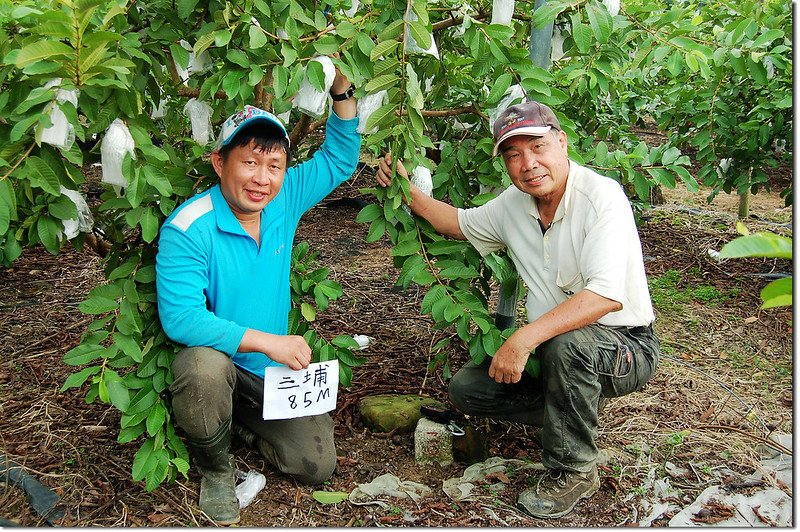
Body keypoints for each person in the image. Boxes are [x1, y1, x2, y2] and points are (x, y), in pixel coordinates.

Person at [375, 100, 659, 519]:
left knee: (570, 345)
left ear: (562, 143)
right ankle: (572, 410)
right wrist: (405, 188)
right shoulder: (514, 204)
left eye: (538, 147)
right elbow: (457, 223)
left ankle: (575, 470)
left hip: (625, 347)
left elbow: (604, 296)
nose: (528, 163)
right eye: (513, 154)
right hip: (555, 348)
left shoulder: (600, 197)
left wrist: (522, 338)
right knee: (468, 389)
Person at [156, 71, 360, 525]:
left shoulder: (282, 200)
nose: (262, 179)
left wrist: (341, 90)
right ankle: (215, 466)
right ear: (219, 163)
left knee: (316, 465)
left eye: (274, 166)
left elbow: (340, 159)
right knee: (201, 368)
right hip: (225, 366)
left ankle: (238, 428)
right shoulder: (188, 229)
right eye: (249, 163)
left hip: (269, 377)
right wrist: (269, 341)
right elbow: (182, 318)